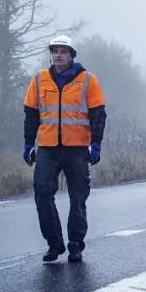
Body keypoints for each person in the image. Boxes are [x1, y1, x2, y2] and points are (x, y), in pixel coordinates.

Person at [22, 35, 107, 263]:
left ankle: (75, 245)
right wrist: (29, 143)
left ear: (71, 55)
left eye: (63, 51)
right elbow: (31, 114)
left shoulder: (88, 80)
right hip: (48, 148)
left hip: (77, 148)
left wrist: (96, 143)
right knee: (42, 193)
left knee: (78, 199)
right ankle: (54, 243)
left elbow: (98, 114)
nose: (58, 54)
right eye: (55, 51)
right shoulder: (39, 80)